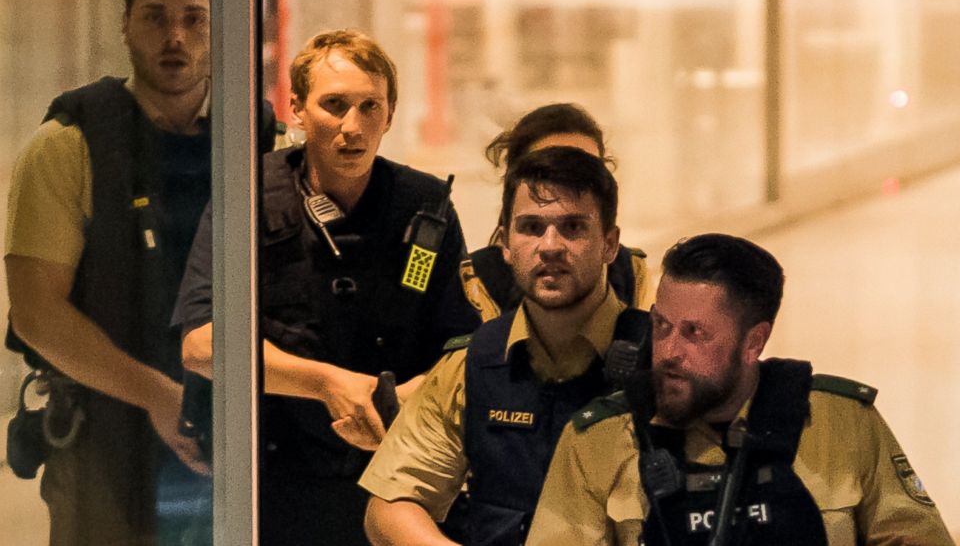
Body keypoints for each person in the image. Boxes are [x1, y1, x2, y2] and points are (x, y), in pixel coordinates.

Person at [175, 29, 480, 546]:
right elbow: (200, 346)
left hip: (397, 480)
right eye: (333, 105)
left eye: (369, 106)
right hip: (271, 486)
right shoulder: (246, 194)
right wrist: (327, 384)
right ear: (295, 107)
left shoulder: (425, 209)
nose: (351, 127)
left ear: (390, 113)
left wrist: (399, 402)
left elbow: (469, 350)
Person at [525, 233, 955, 546]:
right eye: (661, 325)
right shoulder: (598, 443)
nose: (669, 351)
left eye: (695, 333)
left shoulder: (841, 426)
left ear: (754, 342)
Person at [3, 0, 242, 544]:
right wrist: (159, 395)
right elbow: (35, 313)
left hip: (238, 447)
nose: (175, 36)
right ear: (125, 27)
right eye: (155, 18)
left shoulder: (258, 140)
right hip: (104, 443)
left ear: (220, 28)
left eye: (194, 19)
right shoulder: (67, 146)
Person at [360, 146, 648, 546]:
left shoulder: (661, 361)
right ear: (506, 244)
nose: (550, 246)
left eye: (573, 227)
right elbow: (391, 504)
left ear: (610, 244)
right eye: (531, 227)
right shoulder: (472, 364)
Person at [460, 103, 651, 322]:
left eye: (585, 169)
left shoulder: (630, 271)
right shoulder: (477, 280)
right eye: (546, 167)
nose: (563, 182)